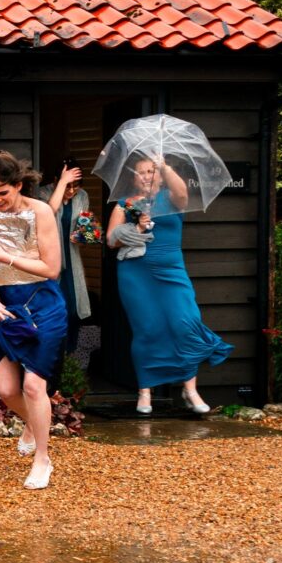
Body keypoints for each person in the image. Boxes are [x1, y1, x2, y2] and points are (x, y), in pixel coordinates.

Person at [106, 155, 232, 415]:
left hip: (170, 269)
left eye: (150, 171)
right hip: (136, 273)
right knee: (147, 329)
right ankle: (145, 392)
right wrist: (137, 229)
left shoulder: (172, 198)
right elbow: (111, 240)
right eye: (140, 172)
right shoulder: (124, 204)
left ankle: (190, 389)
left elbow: (183, 193)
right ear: (133, 178)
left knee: (185, 322)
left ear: (160, 177)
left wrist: (163, 165)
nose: (145, 176)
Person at [0, 149, 66, 490]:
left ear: (18, 185)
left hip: (42, 305)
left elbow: (52, 269)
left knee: (33, 386)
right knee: (8, 390)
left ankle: (42, 459)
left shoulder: (40, 212)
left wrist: (6, 256)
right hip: (5, 306)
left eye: (3, 193)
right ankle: (33, 423)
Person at [36, 161, 90, 353]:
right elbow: (47, 214)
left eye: (76, 186)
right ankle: (53, 353)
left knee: (73, 309)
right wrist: (62, 183)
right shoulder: (42, 194)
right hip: (50, 258)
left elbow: (85, 224)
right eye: (68, 186)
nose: (72, 190)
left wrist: (83, 235)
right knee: (54, 307)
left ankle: (70, 355)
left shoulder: (82, 196)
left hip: (71, 256)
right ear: (55, 181)